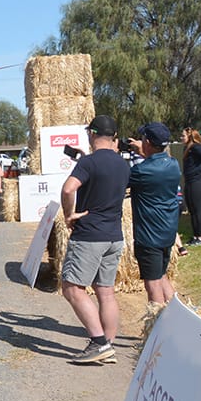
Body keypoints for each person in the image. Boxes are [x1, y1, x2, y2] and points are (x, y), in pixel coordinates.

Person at [59, 115, 130, 365]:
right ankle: (108, 345)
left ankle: (98, 342)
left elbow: (68, 189)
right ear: (114, 137)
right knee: (106, 292)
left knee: (72, 287)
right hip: (114, 235)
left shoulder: (88, 163)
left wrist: (69, 214)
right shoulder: (123, 165)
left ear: (91, 133)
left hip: (90, 234)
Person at [127, 122, 180, 305]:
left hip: (149, 236)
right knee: (162, 276)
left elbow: (120, 179)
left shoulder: (141, 171)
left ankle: (158, 325)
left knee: (152, 285)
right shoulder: (173, 164)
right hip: (167, 232)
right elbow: (155, 164)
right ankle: (177, 318)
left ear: (147, 141)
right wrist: (144, 152)